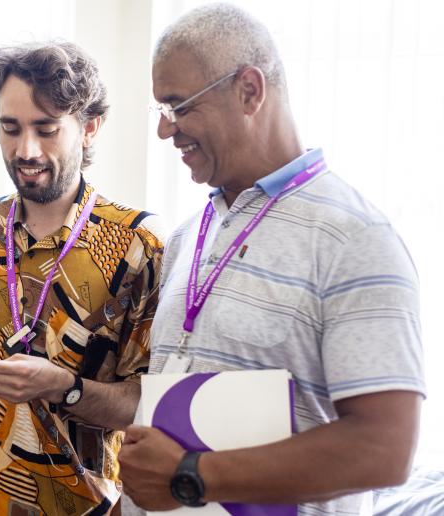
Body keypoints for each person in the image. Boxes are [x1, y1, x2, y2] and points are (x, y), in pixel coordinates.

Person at [119, 4, 425, 515]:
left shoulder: (354, 239)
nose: (165, 132)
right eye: (161, 112)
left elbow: (385, 449)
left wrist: (193, 475)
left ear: (249, 90)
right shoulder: (187, 236)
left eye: (179, 107)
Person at [0, 42, 164, 515]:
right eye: (10, 128)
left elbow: (145, 403)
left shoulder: (136, 243)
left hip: (76, 505)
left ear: (89, 128)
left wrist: (62, 386)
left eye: (46, 130)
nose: (25, 150)